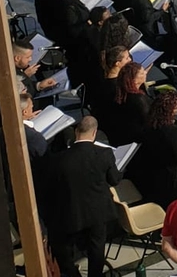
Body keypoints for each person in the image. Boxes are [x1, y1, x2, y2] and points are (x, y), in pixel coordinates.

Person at [38, 116, 119, 277]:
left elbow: (50, 188)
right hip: (97, 211)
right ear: (94, 133)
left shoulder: (58, 159)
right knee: (96, 249)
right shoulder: (104, 153)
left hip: (71, 211)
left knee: (65, 250)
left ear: (76, 132)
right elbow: (114, 179)